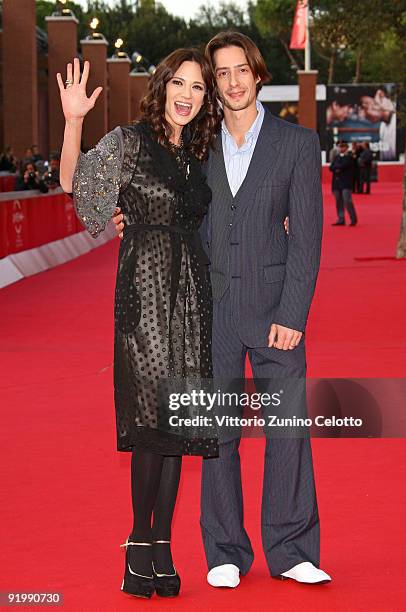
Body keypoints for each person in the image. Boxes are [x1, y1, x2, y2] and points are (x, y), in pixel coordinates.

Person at [113, 31, 331, 587]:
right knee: (219, 435)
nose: (232, 82)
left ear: (258, 75)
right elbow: (157, 198)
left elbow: (307, 240)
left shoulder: (297, 144)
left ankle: (292, 548)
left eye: (241, 71)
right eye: (221, 74)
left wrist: (294, 313)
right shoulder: (196, 147)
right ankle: (226, 550)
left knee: (287, 429)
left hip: (276, 309)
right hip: (208, 311)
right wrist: (129, 219)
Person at [57, 50, 221, 599]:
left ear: (205, 99)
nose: (188, 94)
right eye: (180, 82)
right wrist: (75, 120)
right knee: (150, 422)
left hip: (191, 299)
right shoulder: (129, 141)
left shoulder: (198, 154)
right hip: (144, 294)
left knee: (176, 429)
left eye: (198, 87)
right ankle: (137, 542)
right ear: (163, 86)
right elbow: (78, 188)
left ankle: (163, 546)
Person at [330, 141, 358, 226]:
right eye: (339, 147)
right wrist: (338, 168)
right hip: (336, 183)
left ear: (346, 148)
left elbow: (346, 165)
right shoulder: (336, 157)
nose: (341, 148)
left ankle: (353, 218)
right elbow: (331, 167)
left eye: (343, 147)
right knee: (338, 201)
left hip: (346, 182)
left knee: (347, 200)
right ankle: (341, 218)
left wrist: (337, 168)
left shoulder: (349, 157)